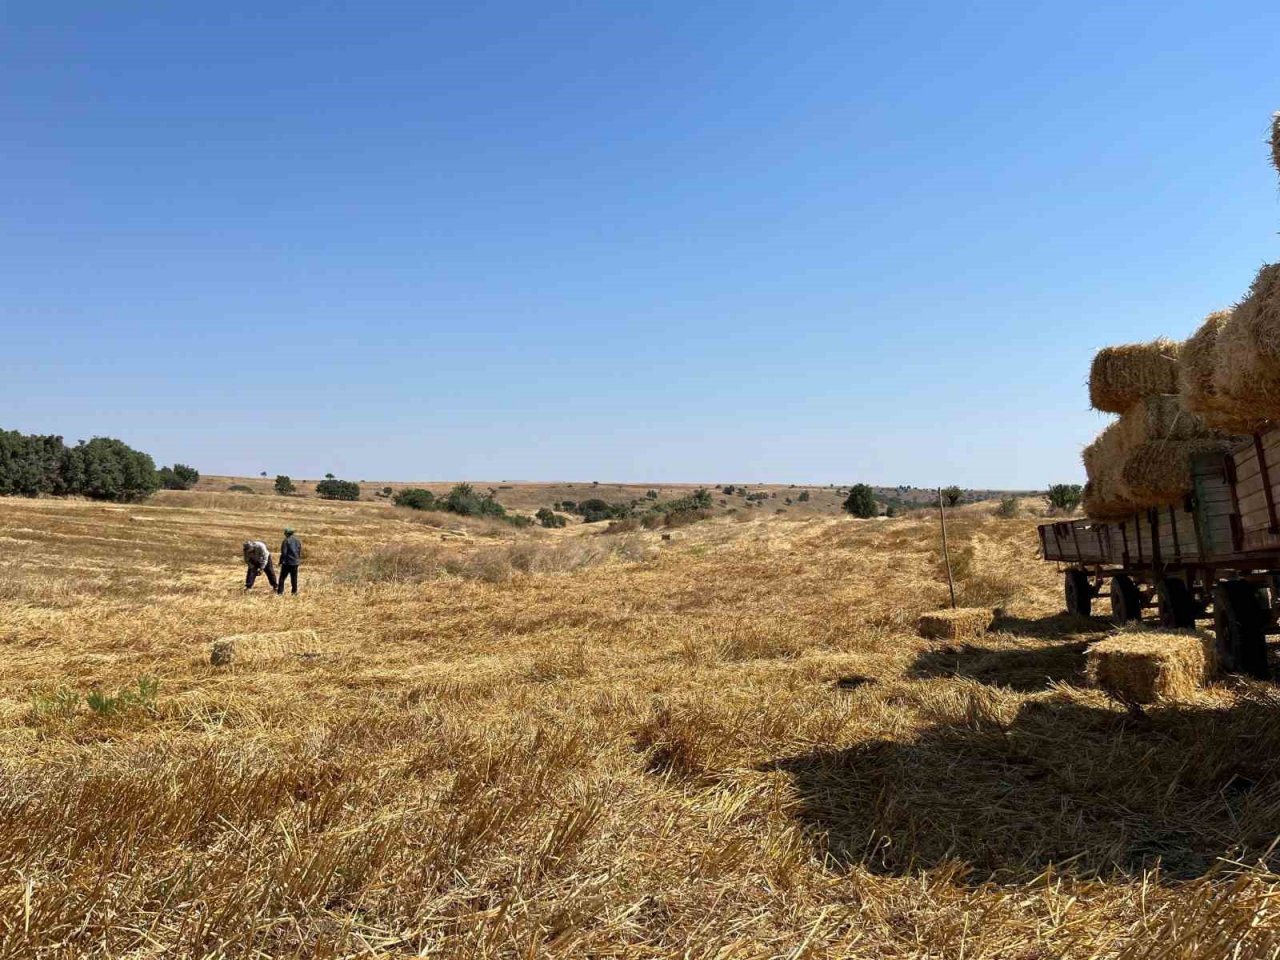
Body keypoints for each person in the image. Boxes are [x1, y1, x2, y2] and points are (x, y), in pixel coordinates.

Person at [277, 527, 303, 594]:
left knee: (282, 578)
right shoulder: (298, 541)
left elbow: (284, 553)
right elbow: (299, 551)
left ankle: (280, 592)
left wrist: (281, 561)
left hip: (287, 562)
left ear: (286, 533)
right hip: (295, 562)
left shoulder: (286, 541)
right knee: (294, 578)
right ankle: (294, 592)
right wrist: (298, 560)